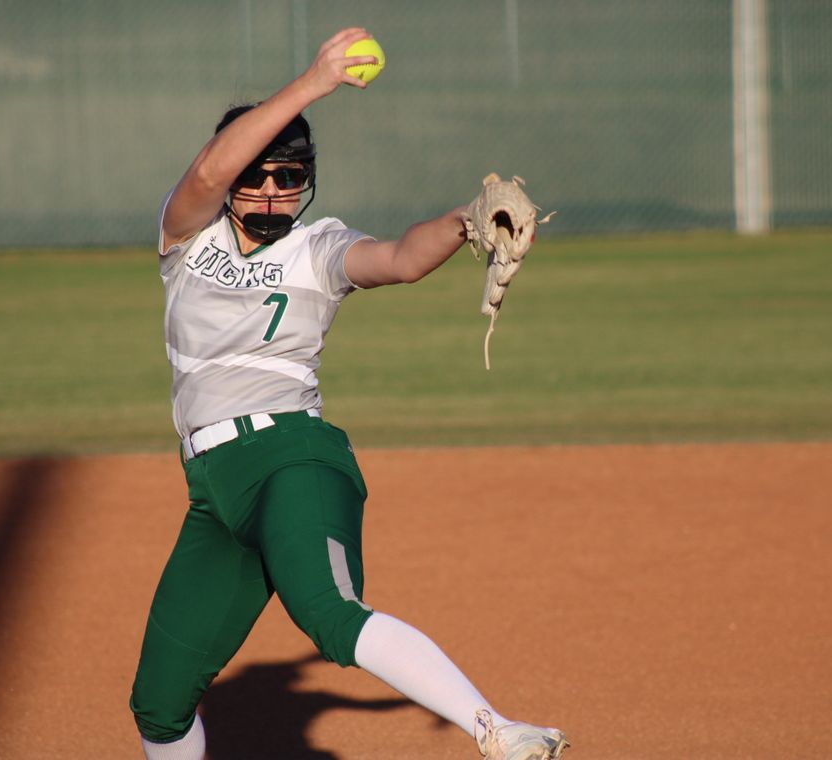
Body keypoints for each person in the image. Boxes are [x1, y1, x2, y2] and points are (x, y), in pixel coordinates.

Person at [129, 27, 570, 760]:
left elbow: (396, 258)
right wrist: (314, 83)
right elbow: (207, 173)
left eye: (288, 175)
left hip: (290, 459)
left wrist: (465, 222)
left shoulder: (318, 246)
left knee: (330, 614)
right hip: (214, 492)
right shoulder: (186, 236)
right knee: (159, 705)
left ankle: (497, 732)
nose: (272, 188)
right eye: (259, 173)